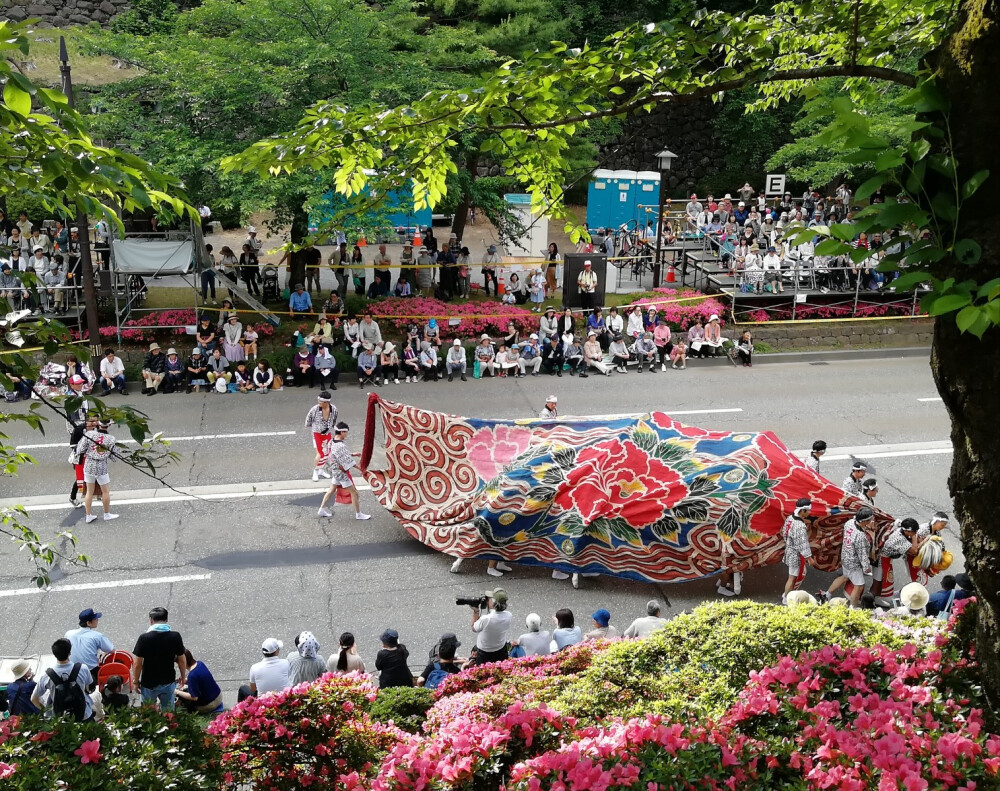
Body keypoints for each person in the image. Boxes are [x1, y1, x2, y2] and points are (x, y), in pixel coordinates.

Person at [132, 606, 187, 711]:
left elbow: (137, 664)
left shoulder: (144, 638)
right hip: (168, 681)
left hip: (149, 683)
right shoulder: (175, 636)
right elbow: (182, 659)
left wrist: (135, 682)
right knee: (168, 713)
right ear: (166, 620)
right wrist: (183, 676)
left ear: (151, 620)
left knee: (148, 714)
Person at [31, 638, 94, 721]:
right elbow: (89, 685)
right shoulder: (83, 669)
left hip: (60, 719)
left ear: (54, 654)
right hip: (83, 715)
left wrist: (47, 710)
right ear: (70, 653)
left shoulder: (48, 675)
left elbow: (33, 699)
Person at [318, 422, 371, 520]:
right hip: (341, 473)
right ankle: (358, 514)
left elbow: (339, 455)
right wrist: (362, 468)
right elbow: (348, 462)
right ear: (342, 432)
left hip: (335, 470)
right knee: (354, 493)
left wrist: (352, 454)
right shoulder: (341, 446)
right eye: (346, 432)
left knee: (331, 490)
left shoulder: (332, 441)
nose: (347, 434)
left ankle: (321, 509)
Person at [824, 507, 875, 606]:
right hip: (854, 563)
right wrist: (867, 567)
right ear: (865, 521)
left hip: (845, 556)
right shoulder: (860, 536)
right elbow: (862, 554)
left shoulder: (850, 523)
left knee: (845, 576)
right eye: (870, 520)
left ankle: (827, 594)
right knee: (859, 585)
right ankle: (853, 607)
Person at [76, 419, 119, 524]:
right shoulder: (111, 439)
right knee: (105, 491)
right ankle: (106, 514)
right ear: (108, 426)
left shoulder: (90, 434)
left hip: (89, 465)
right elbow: (115, 457)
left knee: (89, 492)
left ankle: (88, 515)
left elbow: (80, 449)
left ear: (98, 425)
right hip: (101, 466)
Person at [872, 517, 920, 600]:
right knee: (879, 580)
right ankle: (872, 599)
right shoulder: (899, 538)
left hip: (885, 557)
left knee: (882, 579)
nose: (915, 533)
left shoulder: (900, 528)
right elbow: (914, 551)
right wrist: (914, 537)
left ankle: (877, 598)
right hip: (881, 559)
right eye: (914, 532)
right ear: (907, 531)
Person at [66, 607, 113, 687]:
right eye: (95, 619)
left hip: (71, 670)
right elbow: (110, 649)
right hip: (90, 672)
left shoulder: (69, 633)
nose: (97, 620)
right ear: (88, 623)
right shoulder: (97, 636)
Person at [781, 498, 815, 603]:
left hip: (790, 550)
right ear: (803, 511)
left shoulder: (790, 518)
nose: (810, 512)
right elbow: (803, 543)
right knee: (792, 579)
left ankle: (787, 595)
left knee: (794, 576)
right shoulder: (800, 525)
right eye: (808, 510)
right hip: (795, 554)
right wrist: (809, 558)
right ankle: (786, 599)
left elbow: (784, 532)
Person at [469, 588, 512, 665]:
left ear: (493, 603)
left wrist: (476, 611)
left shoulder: (486, 619)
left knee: (484, 673)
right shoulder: (508, 615)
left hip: (484, 653)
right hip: (501, 650)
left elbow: (473, 627)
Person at [175, 649, 223, 714]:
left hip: (209, 705)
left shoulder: (192, 676)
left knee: (183, 696)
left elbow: (194, 698)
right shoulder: (200, 664)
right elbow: (198, 677)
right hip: (218, 697)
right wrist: (185, 679)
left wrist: (177, 692)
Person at [305, 391, 337, 481]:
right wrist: (316, 428)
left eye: (321, 401)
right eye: (318, 400)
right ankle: (315, 471)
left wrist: (331, 427)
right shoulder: (314, 409)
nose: (319, 402)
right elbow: (308, 419)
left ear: (327, 402)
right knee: (320, 454)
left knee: (327, 453)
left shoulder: (333, 409)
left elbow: (334, 419)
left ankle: (321, 470)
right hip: (317, 434)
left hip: (327, 433)